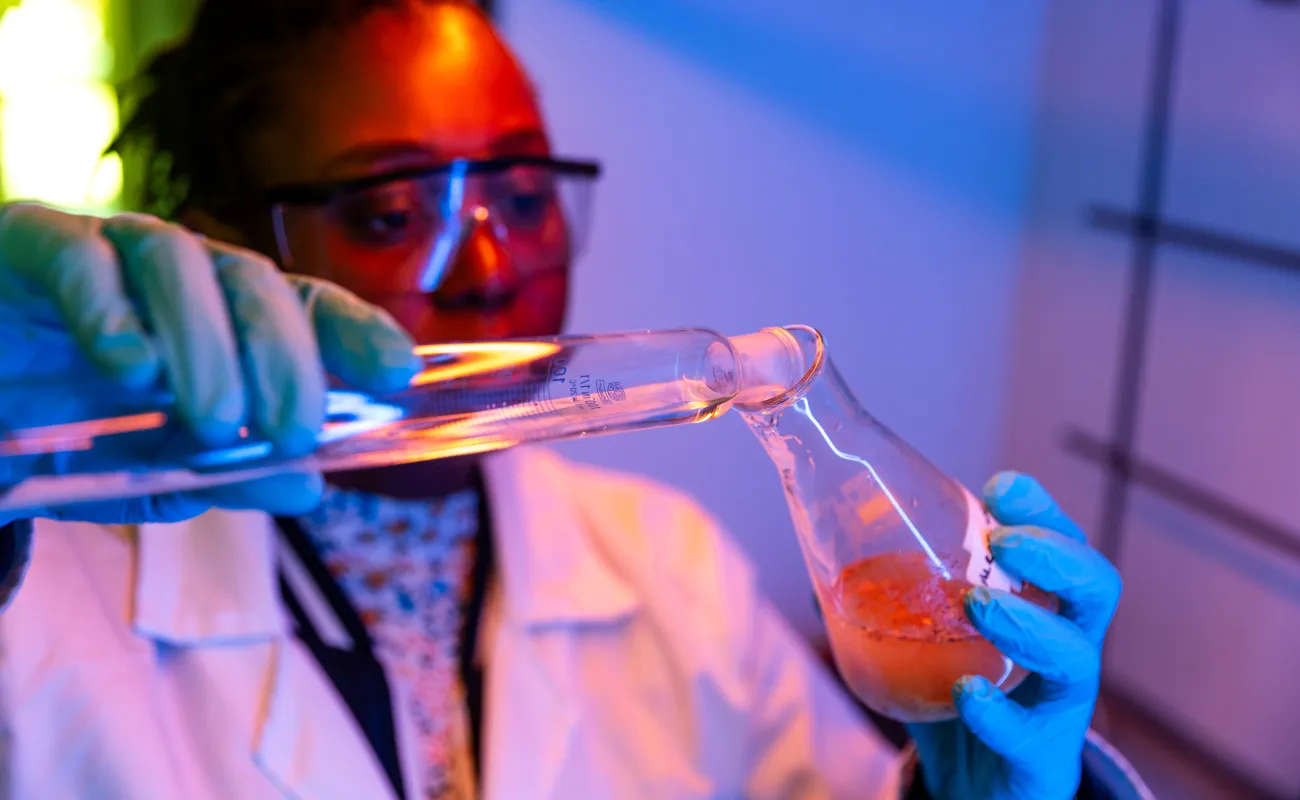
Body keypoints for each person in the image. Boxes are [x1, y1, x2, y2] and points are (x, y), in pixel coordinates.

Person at [0, 1, 1150, 798]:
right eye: (396, 211)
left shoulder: (668, 564)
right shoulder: (44, 573)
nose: (494, 262)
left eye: (522, 189)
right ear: (224, 245)